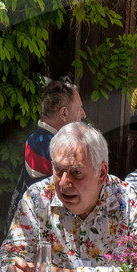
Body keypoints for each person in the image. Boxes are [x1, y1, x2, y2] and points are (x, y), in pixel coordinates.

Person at [0, 122, 137, 272]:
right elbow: (5, 259)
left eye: (76, 172)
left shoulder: (129, 202)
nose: (63, 183)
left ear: (101, 173)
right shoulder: (37, 199)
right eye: (58, 170)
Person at [12, 77, 85, 219]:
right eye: (79, 108)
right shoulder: (54, 147)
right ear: (64, 113)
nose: (84, 114)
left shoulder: (36, 138)